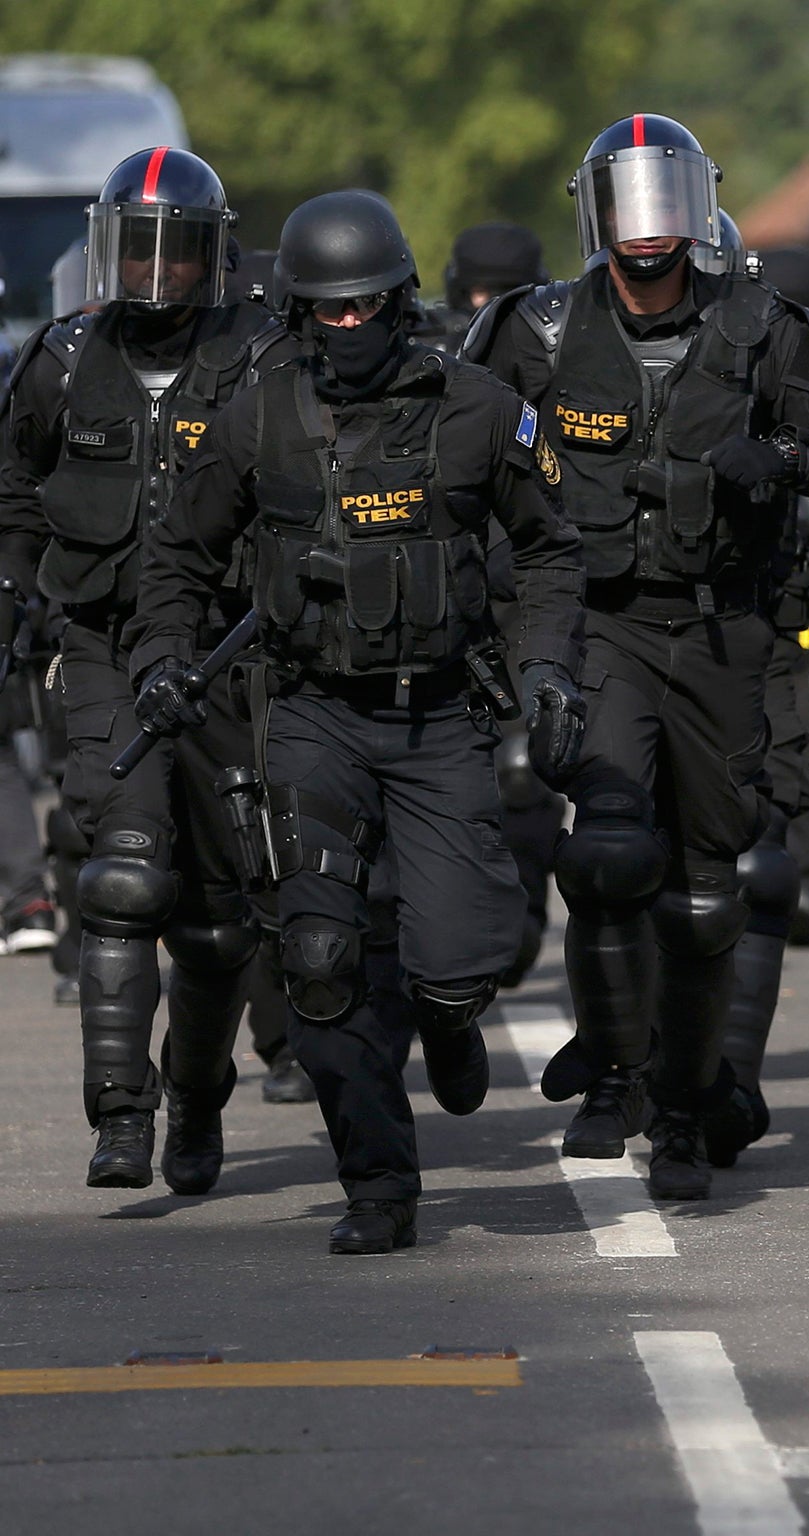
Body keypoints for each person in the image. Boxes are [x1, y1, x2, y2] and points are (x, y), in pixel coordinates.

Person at [127, 189, 586, 1254]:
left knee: (460, 958)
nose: (348, 329)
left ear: (400, 299)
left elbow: (552, 550)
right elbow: (178, 558)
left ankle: (450, 1011)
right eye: (326, 311)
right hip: (312, 717)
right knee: (322, 958)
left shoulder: (479, 409)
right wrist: (160, 658)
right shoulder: (256, 413)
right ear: (297, 311)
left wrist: (548, 671)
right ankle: (378, 1187)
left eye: (366, 307)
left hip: (439, 719)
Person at [464, 113, 809, 1201]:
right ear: (593, 214)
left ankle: (689, 1109)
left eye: (664, 202)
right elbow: (449, 450)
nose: (645, 230)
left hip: (723, 628)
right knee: (607, 854)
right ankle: (615, 1070)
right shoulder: (536, 330)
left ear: (698, 209)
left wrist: (781, 456)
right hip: (596, 616)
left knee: (711, 892)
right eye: (625, 203)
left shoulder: (769, 328)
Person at [0, 147, 297, 1193]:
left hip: (228, 656)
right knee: (121, 876)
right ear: (106, 249)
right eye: (138, 249)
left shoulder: (266, 355)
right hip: (104, 647)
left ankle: (197, 1098)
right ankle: (120, 1118)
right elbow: (14, 488)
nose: (156, 272)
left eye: (179, 253)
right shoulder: (64, 358)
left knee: (221, 921)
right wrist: (25, 590)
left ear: (214, 258)